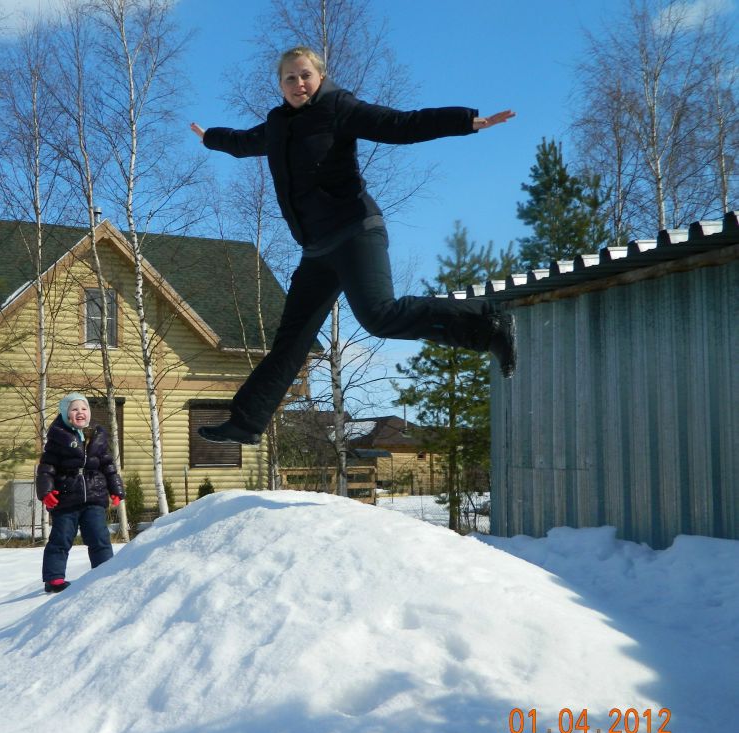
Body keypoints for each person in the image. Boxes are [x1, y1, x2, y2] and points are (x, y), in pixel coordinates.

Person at [190, 45, 517, 446]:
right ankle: (246, 421)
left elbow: (400, 124)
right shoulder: (277, 124)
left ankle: (488, 322)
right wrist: (211, 138)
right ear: (280, 85)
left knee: (380, 315)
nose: (299, 83)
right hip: (317, 249)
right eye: (290, 77)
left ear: (321, 77)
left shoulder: (338, 107)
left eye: (306, 75)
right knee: (291, 340)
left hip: (355, 231)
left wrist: (464, 121)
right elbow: (243, 143)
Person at [36, 393, 125, 593]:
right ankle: (54, 579)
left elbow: (108, 466)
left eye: (84, 409)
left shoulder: (98, 436)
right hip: (66, 497)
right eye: (74, 409)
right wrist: (46, 491)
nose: (80, 412)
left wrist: (116, 489)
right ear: (65, 414)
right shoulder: (58, 437)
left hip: (94, 496)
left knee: (99, 537)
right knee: (61, 538)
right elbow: (46, 469)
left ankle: (104, 573)